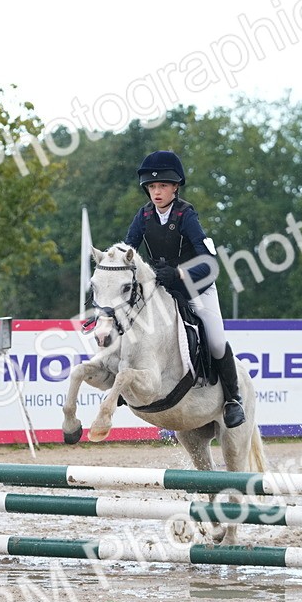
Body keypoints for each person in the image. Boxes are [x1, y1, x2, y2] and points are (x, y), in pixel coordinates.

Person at [123, 150, 245, 428]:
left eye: (163, 186)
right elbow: (127, 251)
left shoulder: (186, 215)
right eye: (152, 187)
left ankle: (232, 399)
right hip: (163, 289)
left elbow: (209, 264)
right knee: (130, 322)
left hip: (196, 288)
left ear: (175, 187)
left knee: (215, 340)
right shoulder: (142, 216)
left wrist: (178, 272)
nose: (157, 192)